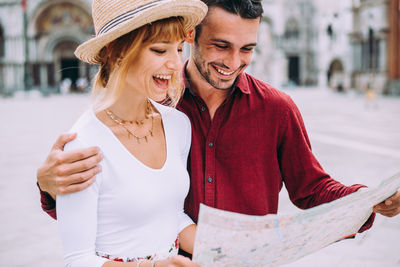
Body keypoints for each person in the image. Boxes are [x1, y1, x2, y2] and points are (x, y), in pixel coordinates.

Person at [37, 0, 400, 265]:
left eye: (247, 49)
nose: (233, 62)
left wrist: (366, 200)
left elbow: (312, 188)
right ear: (193, 34)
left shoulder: (275, 109)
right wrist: (50, 185)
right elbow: (108, 209)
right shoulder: (158, 99)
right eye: (221, 46)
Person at [46, 0, 208, 266]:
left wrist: (226, 250)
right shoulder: (83, 145)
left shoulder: (179, 125)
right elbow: (77, 260)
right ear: (116, 51)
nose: (175, 63)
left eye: (179, 49)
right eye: (159, 50)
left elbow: (172, 216)